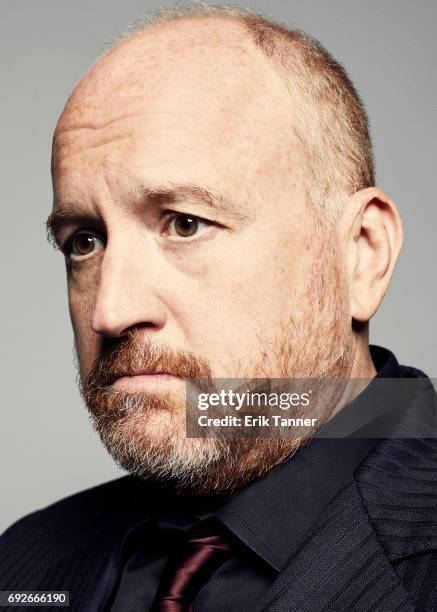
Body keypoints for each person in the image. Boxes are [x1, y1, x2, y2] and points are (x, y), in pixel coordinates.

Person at [1, 5, 436, 611]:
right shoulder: (23, 562)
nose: (111, 310)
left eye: (185, 223)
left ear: (362, 254)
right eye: (85, 241)